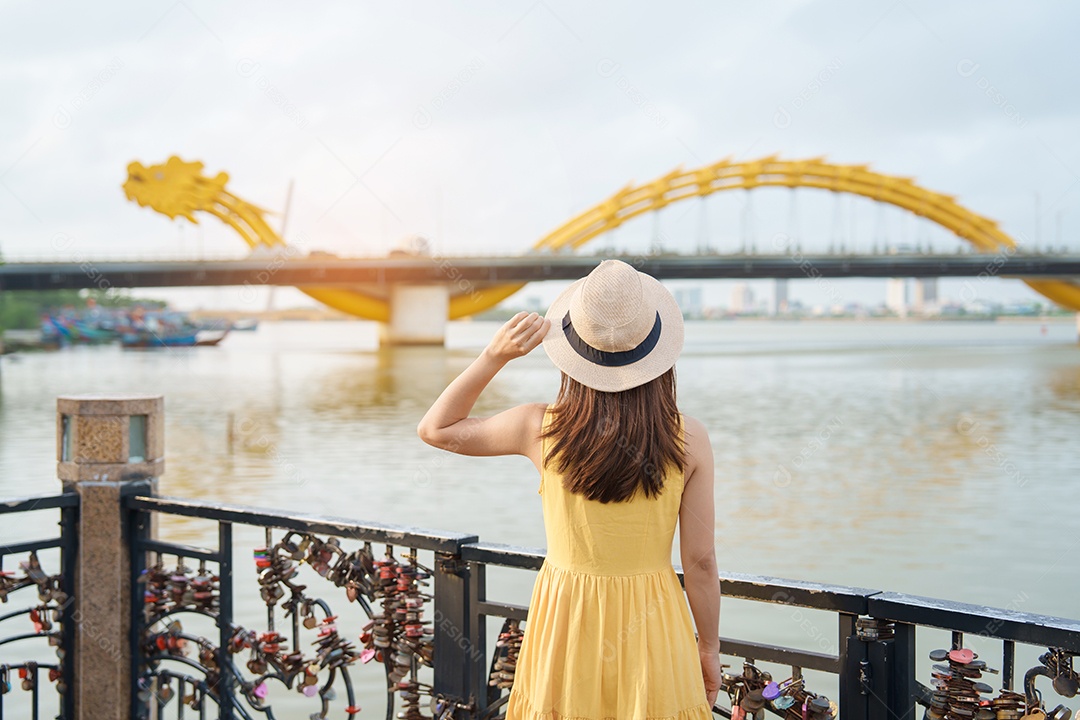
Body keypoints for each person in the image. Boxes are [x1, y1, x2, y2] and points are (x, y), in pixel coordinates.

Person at [417, 259, 722, 719]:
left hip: (566, 617)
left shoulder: (539, 428)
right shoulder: (689, 438)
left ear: (573, 350)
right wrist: (709, 647)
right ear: (657, 352)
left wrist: (494, 356)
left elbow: (436, 429)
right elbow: (700, 562)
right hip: (653, 621)